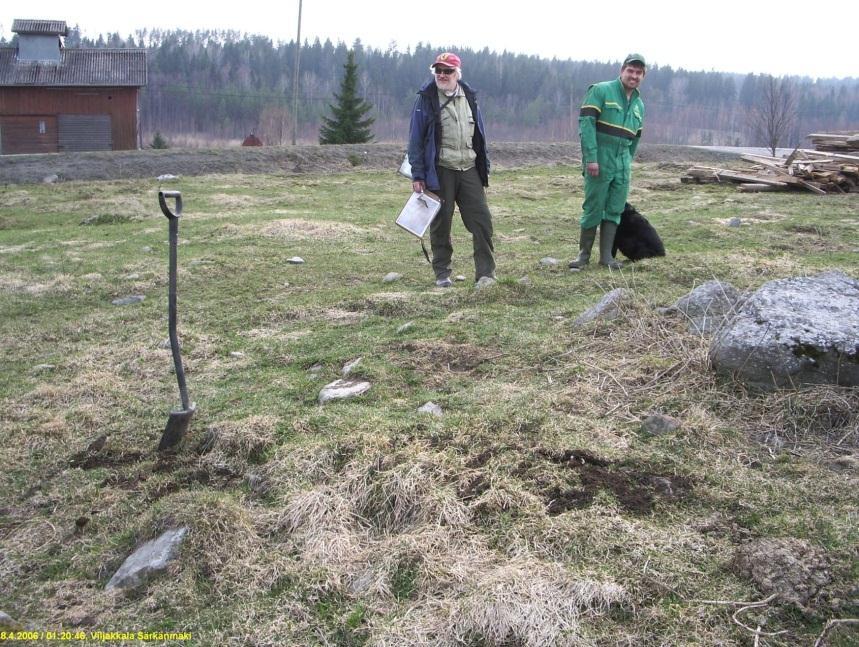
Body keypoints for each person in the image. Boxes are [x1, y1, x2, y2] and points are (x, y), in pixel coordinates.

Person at [408, 52, 496, 288]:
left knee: (482, 222)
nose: (442, 75)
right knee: (441, 224)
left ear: (457, 73)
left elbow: (480, 135)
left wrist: (483, 166)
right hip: (440, 170)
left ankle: (486, 274)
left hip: (469, 168)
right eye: (438, 71)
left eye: (447, 71)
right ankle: (442, 274)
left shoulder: (470, 96)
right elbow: (415, 139)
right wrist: (418, 175)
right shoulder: (426, 99)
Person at [570, 54, 646, 270]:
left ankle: (606, 258)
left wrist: (627, 161)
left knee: (614, 209)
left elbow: (636, 138)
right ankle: (583, 257)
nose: (634, 76)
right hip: (600, 160)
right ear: (622, 70)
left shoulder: (639, 105)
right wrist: (591, 158)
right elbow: (586, 125)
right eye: (630, 71)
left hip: (622, 165)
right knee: (593, 208)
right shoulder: (601, 90)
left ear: (643, 76)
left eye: (638, 72)